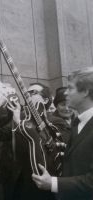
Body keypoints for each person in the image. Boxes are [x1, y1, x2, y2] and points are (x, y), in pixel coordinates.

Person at [0, 82, 57, 200]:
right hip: (20, 182)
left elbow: (49, 146)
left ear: (46, 100)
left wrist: (19, 122)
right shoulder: (20, 116)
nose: (27, 94)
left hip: (44, 181)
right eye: (26, 92)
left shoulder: (54, 121)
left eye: (33, 92)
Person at [32, 67, 93, 200]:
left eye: (70, 88)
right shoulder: (77, 123)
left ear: (85, 92)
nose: (66, 93)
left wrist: (53, 183)